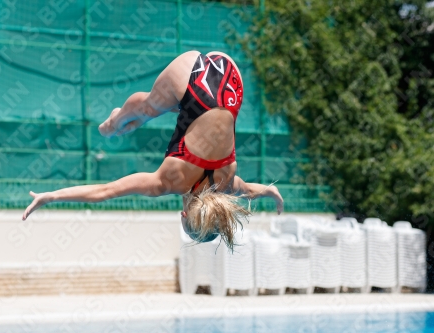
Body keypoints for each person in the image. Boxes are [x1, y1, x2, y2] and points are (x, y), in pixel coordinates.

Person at [22, 50, 284, 251]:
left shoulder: (226, 184)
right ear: (183, 215)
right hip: (192, 77)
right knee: (145, 110)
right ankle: (114, 122)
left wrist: (270, 192)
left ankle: (163, 110)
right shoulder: (168, 182)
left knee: (160, 108)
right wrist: (51, 196)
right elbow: (105, 191)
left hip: (229, 78)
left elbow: (250, 190)